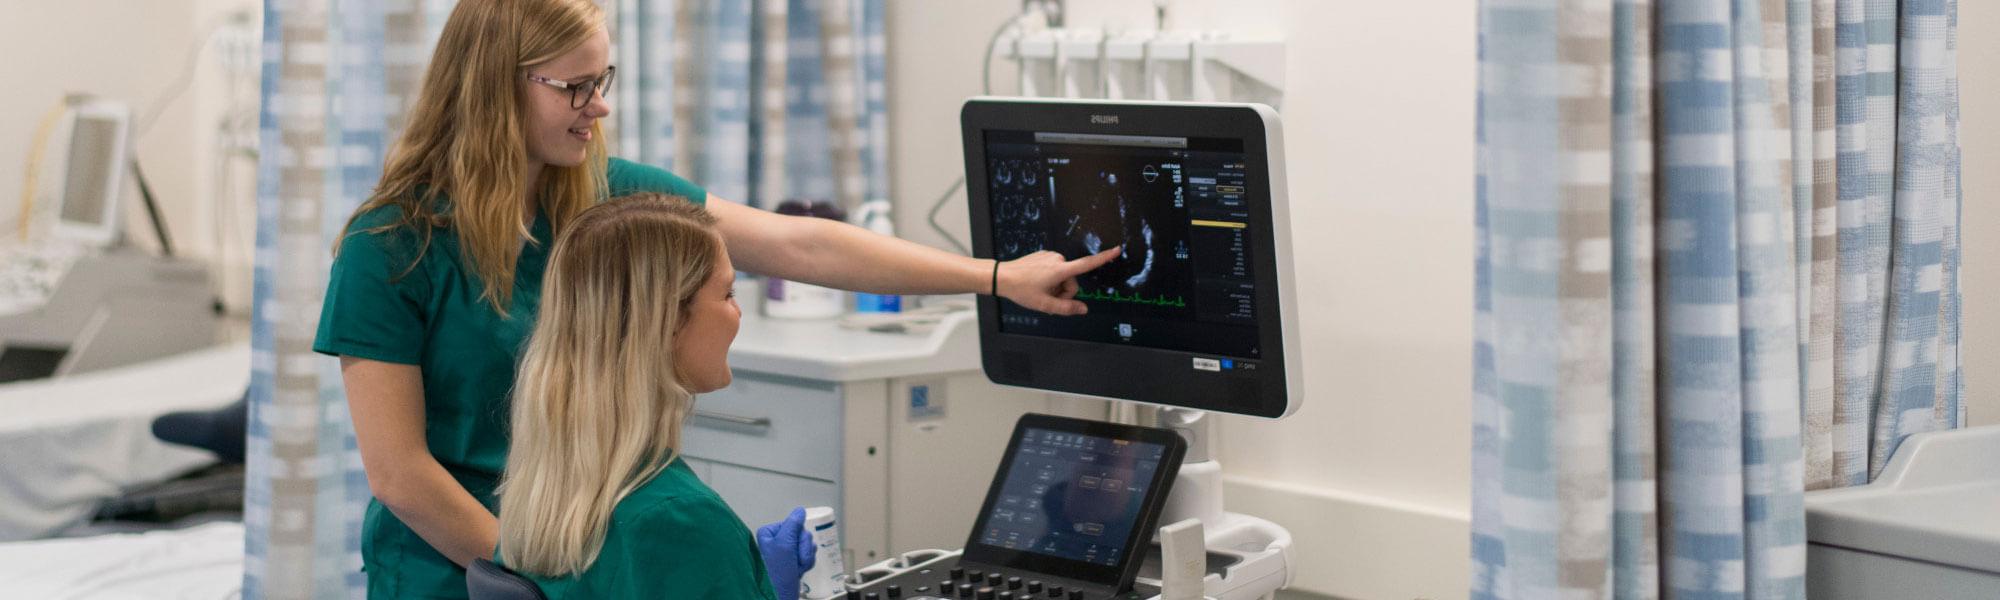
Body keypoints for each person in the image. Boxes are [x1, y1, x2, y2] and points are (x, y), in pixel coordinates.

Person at [311, 0, 1118, 597]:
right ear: (496, 88)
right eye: (576, 88)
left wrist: (997, 277)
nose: (600, 107)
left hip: (591, 558)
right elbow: (402, 476)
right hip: (459, 568)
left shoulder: (605, 198)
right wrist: (537, 583)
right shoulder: (394, 244)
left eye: (605, 81)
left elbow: (801, 244)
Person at [495, 193, 808, 598]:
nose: (738, 313)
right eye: (728, 295)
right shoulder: (680, 519)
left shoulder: (544, 495)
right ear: (669, 323)